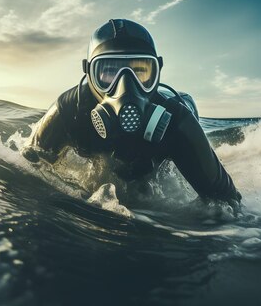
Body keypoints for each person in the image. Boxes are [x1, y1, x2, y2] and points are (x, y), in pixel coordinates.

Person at [23, 19, 242, 212]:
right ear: (89, 73)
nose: (125, 87)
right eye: (109, 71)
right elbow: (28, 167)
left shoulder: (178, 120)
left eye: (140, 71)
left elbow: (227, 202)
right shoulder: (68, 111)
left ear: (156, 73)